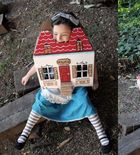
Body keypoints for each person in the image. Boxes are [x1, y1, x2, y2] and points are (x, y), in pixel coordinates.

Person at [15, 11, 110, 153]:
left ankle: (101, 134)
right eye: (55, 35)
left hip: (74, 86)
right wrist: (28, 75)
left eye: (64, 35)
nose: (59, 39)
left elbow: (91, 63)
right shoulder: (49, 46)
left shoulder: (80, 47)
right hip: (53, 86)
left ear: (74, 33)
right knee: (39, 104)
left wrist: (94, 80)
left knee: (85, 103)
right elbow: (39, 63)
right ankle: (25, 132)